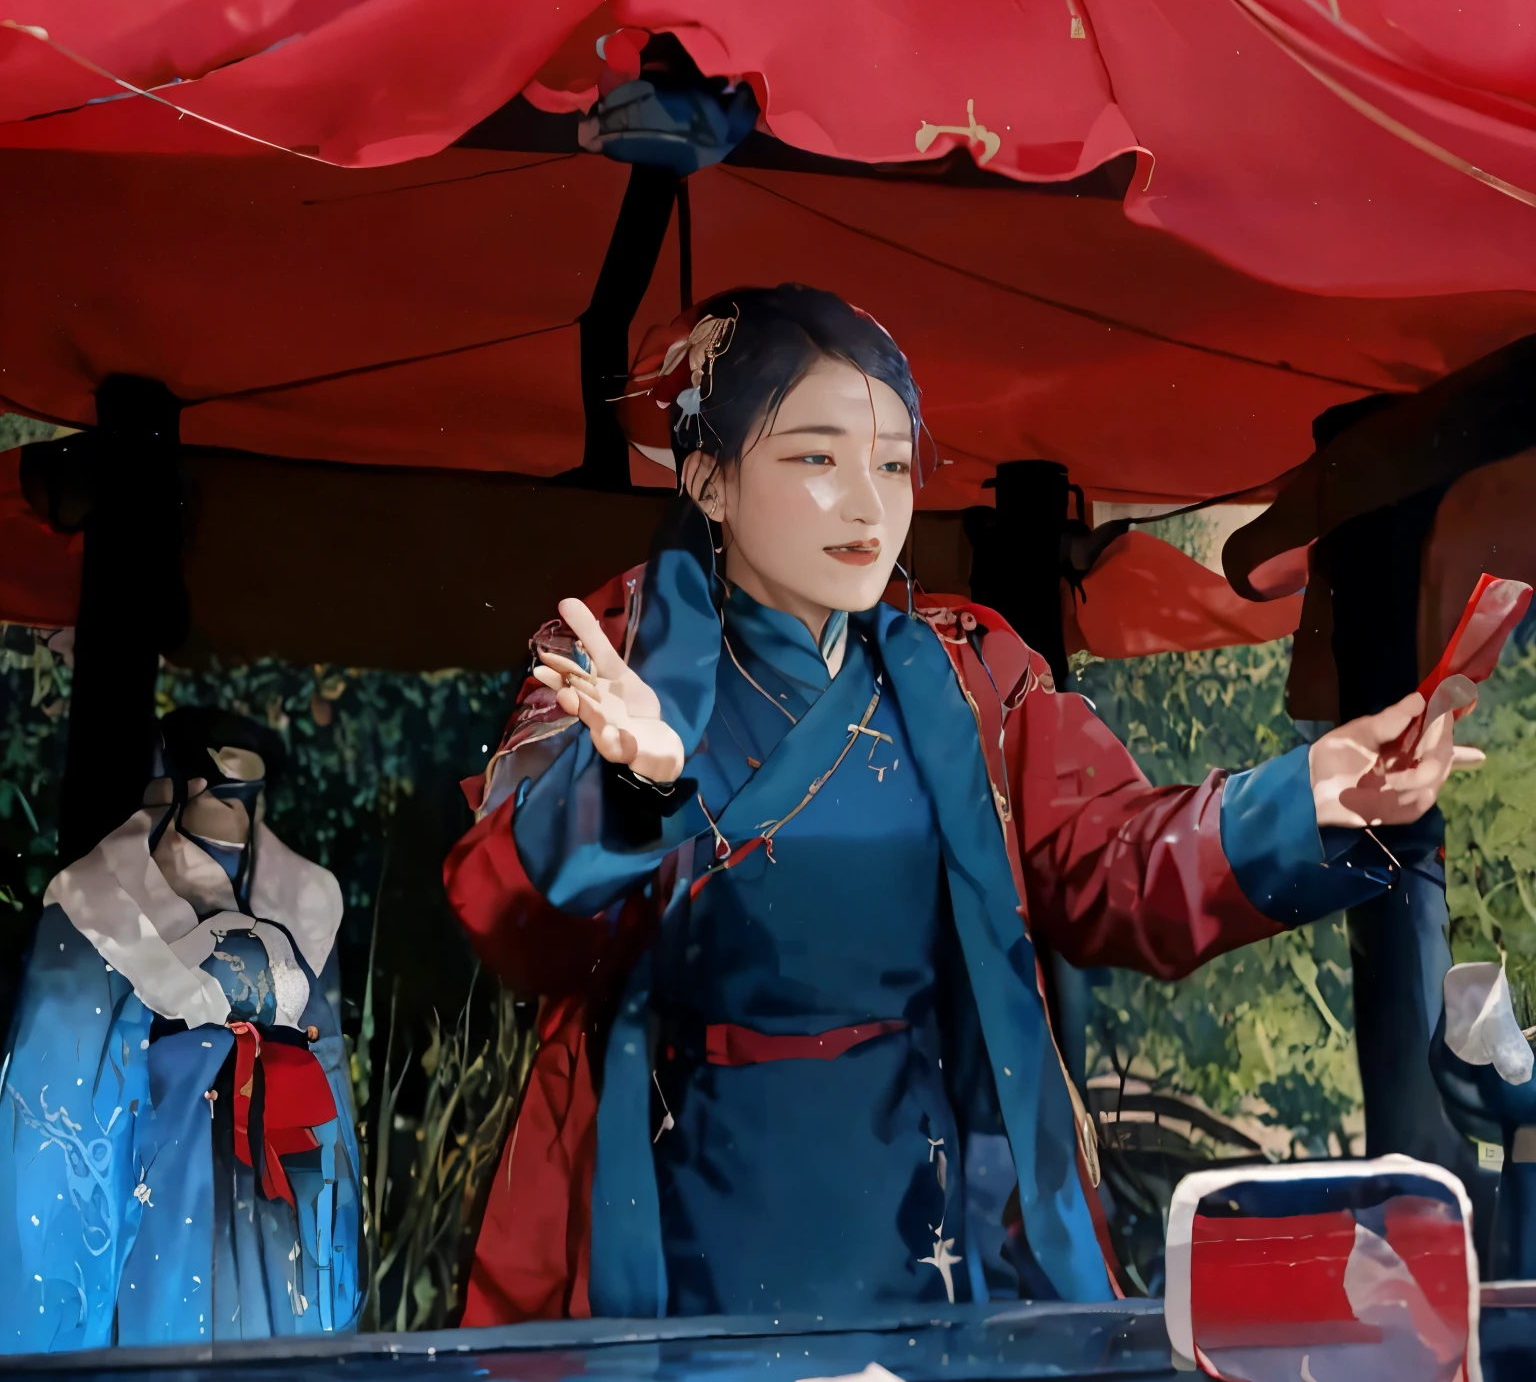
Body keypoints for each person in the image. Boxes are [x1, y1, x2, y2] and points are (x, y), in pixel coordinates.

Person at [445, 284, 1478, 1324]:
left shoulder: (972, 673)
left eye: (892, 463)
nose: (867, 505)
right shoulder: (612, 665)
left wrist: (1302, 800)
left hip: (922, 1184)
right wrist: (627, 788)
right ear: (709, 479)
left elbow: (1110, 857)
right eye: (817, 458)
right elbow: (514, 928)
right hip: (690, 1197)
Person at [0, 709, 361, 1352]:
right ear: (177, 782)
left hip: (281, 1193)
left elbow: (327, 1075)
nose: (236, 810)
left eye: (248, 791)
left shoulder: (308, 900)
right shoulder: (94, 901)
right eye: (223, 786)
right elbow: (57, 1105)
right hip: (159, 1180)